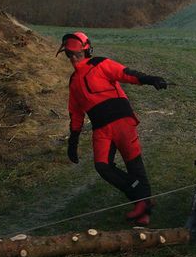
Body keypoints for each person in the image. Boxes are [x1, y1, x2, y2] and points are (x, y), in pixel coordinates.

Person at [58, 32, 167, 225]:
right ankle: (141, 198)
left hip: (121, 120)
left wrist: (150, 79)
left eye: (76, 54)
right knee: (103, 166)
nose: (73, 58)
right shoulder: (74, 81)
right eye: (69, 54)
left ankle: (143, 211)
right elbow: (75, 113)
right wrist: (72, 141)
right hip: (100, 128)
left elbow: (125, 73)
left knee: (134, 165)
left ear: (87, 51)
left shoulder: (100, 64)